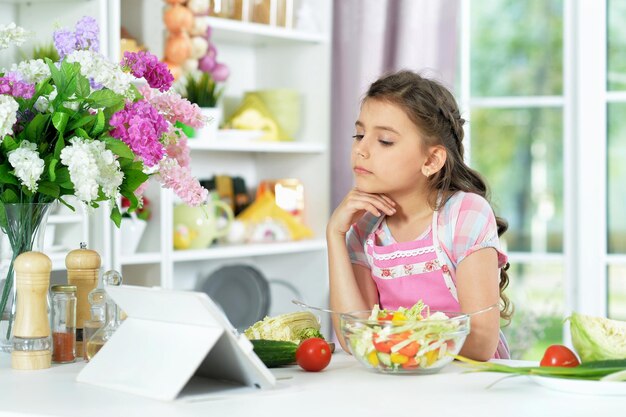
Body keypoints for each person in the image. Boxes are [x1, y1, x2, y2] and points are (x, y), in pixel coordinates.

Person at [327, 70, 512, 361]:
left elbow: (480, 344)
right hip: (401, 384)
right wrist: (335, 235)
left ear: (431, 160)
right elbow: (354, 340)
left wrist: (392, 338)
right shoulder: (366, 228)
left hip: (469, 388)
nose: (360, 149)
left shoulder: (465, 215)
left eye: (385, 141)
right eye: (359, 135)